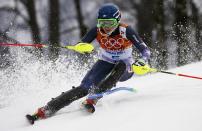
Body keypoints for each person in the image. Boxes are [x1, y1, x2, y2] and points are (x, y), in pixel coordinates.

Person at [26, 3, 151, 124]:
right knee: (84, 87)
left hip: (125, 65)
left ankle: (93, 99)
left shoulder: (126, 30)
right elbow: (81, 44)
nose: (106, 27)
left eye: (110, 23)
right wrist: (81, 47)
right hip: (106, 61)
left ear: (117, 21)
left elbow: (145, 50)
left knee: (120, 67)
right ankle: (47, 109)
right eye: (103, 22)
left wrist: (142, 60)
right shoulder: (96, 30)